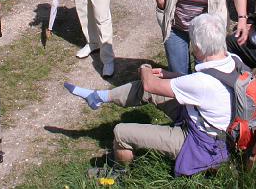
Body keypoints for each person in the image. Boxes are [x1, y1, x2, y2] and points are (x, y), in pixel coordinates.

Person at [63, 13, 237, 176]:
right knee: (147, 90)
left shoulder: (202, 83)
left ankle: (118, 174)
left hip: (199, 143)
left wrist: (145, 68)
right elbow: (201, 86)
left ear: (197, 46)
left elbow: (150, 83)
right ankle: (98, 97)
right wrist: (171, 76)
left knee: (121, 132)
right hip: (209, 124)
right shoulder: (233, 61)